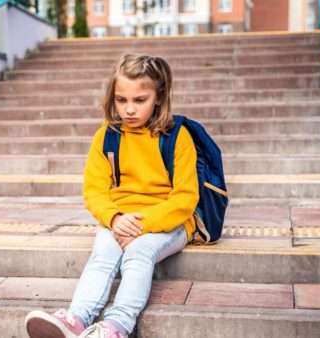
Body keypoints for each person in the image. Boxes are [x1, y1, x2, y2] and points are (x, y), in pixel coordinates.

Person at [25, 53, 200, 338]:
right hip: (119, 220)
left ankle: (116, 327)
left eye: (139, 100)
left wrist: (141, 225)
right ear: (112, 98)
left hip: (170, 222)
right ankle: (77, 320)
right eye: (121, 100)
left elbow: (185, 198)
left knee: (138, 252)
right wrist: (115, 217)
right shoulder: (107, 136)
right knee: (103, 254)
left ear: (158, 97)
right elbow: (94, 190)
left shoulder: (177, 137)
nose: (129, 109)